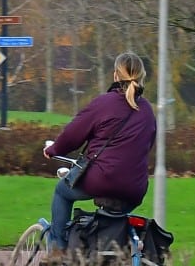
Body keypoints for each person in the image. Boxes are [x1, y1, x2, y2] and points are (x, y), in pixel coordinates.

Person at [43, 51, 157, 252]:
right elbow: (147, 144)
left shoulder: (104, 104)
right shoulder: (147, 110)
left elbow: (72, 135)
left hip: (102, 180)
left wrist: (53, 149)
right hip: (135, 188)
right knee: (106, 221)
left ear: (115, 76)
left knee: (62, 192)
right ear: (141, 76)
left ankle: (57, 250)